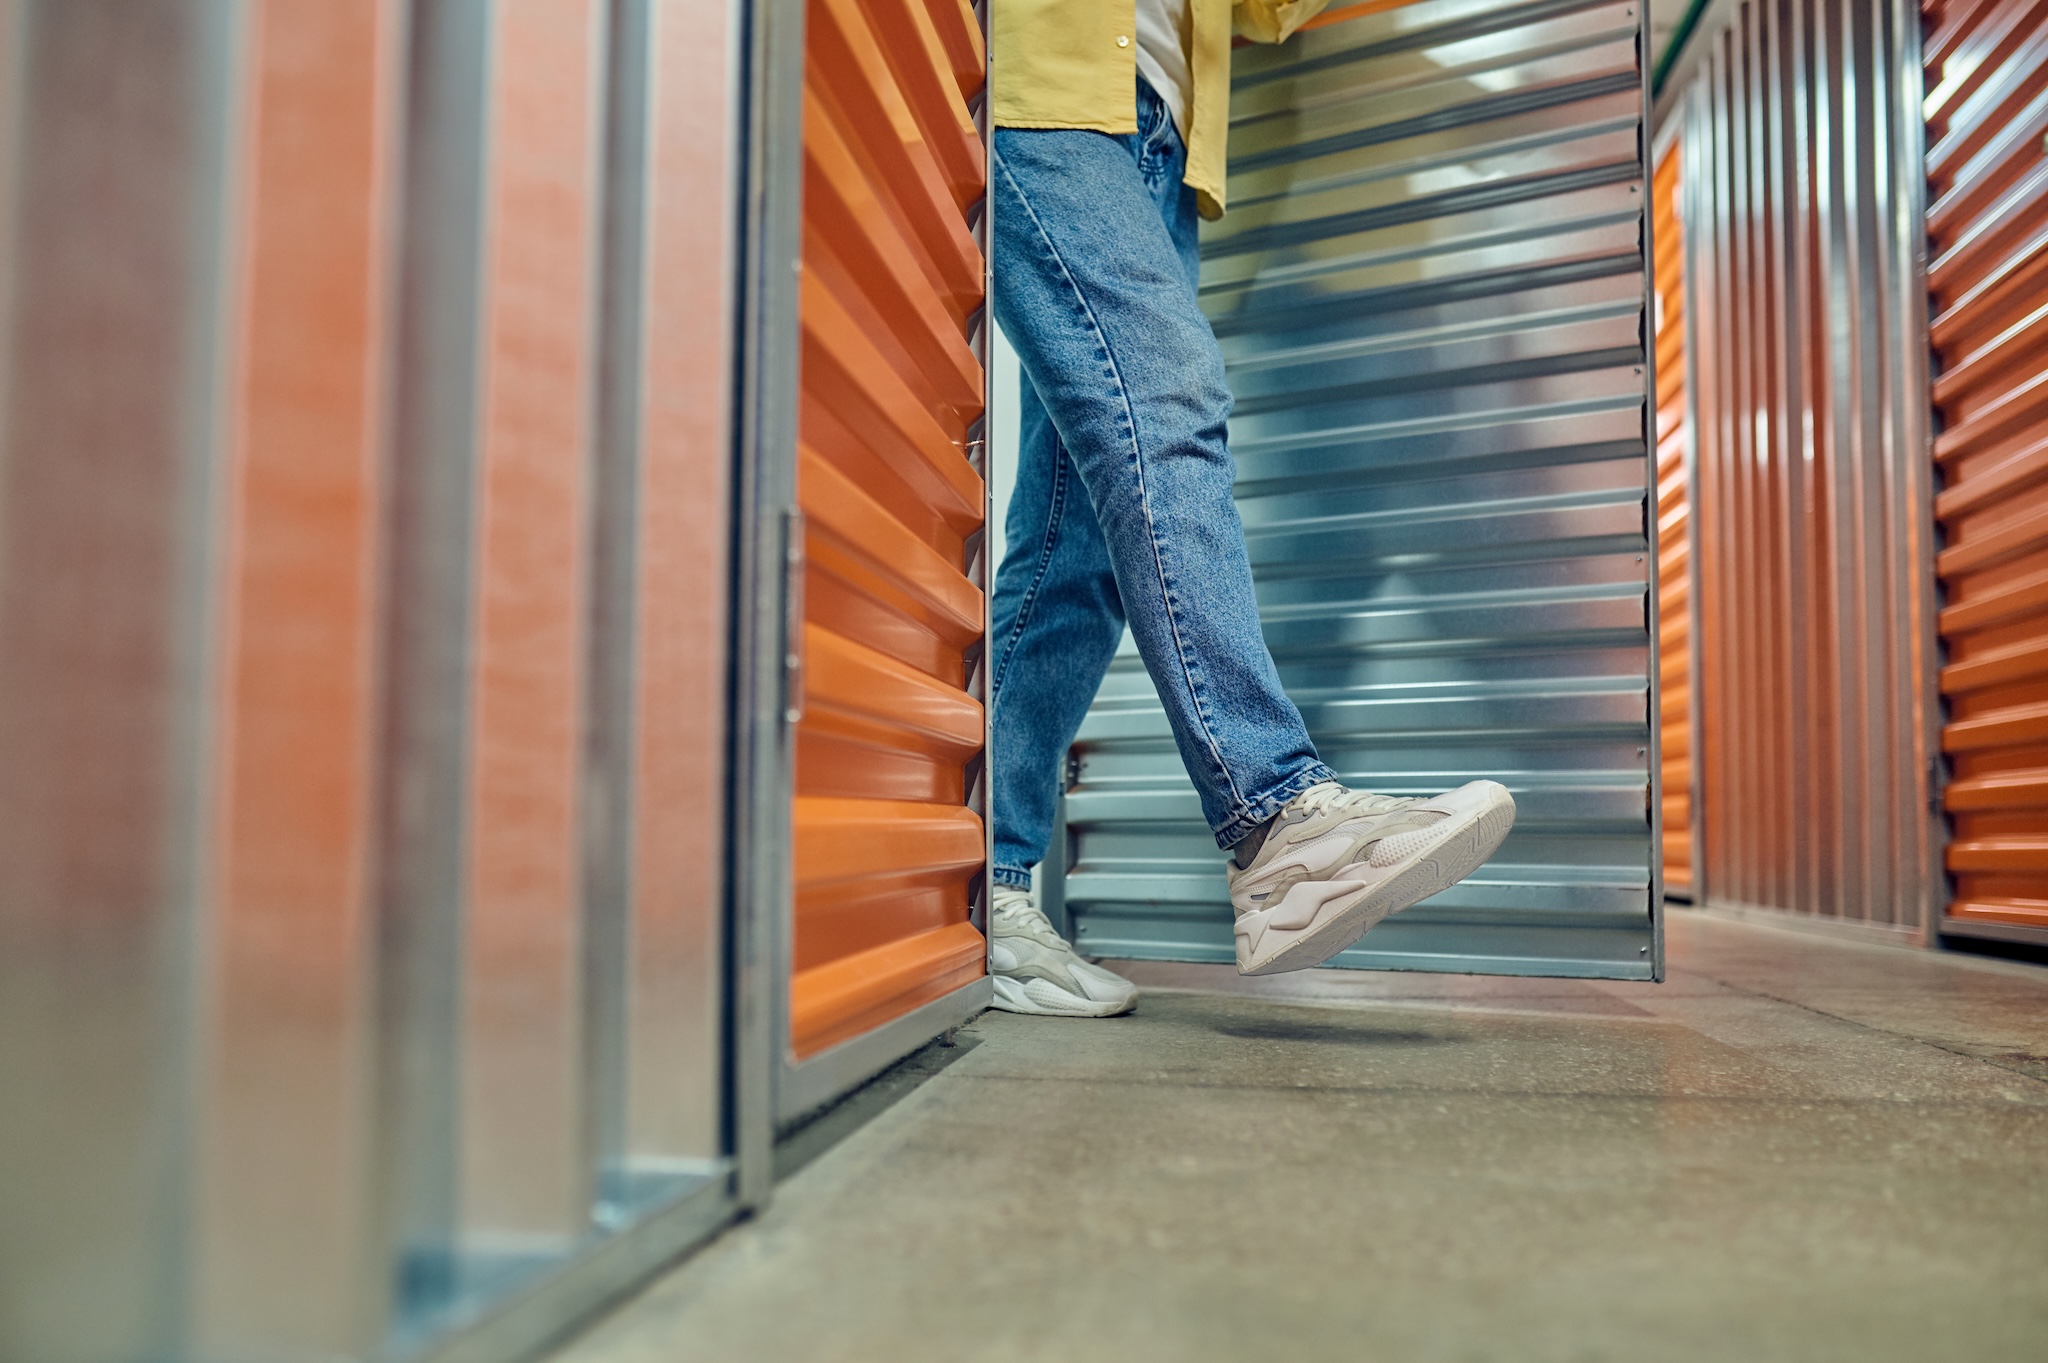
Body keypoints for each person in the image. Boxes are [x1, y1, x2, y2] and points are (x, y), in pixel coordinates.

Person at [981, 0, 1519, 1017]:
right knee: (1166, 401)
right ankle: (1275, 818)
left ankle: (985, 887)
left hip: (1160, 140)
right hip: (1039, 93)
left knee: (1074, 544)